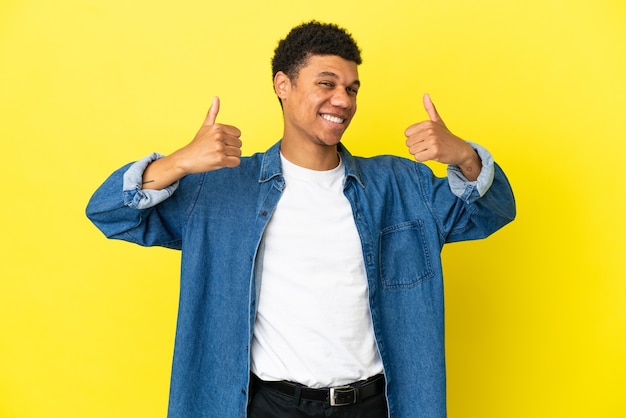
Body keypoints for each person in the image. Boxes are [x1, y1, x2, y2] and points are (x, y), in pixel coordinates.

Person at [86, 20, 515, 418]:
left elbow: (492, 211)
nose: (342, 101)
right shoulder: (220, 192)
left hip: (374, 404)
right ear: (283, 85)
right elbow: (108, 212)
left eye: (351, 89)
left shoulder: (400, 186)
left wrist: (462, 155)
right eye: (326, 84)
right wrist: (180, 162)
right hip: (269, 405)